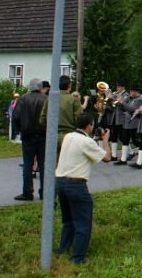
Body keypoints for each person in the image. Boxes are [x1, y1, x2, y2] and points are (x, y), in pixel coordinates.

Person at [55, 113, 112, 263]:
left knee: (68, 220)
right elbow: (107, 158)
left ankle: (63, 250)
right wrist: (105, 140)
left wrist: (94, 140)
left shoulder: (68, 137)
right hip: (76, 184)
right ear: (89, 126)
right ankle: (78, 258)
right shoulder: (87, 142)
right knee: (83, 222)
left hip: (60, 182)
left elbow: (83, 146)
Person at [12, 78, 47, 201]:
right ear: (40, 87)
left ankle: (27, 192)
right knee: (43, 165)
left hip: (27, 135)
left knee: (27, 164)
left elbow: (15, 116)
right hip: (43, 135)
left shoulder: (23, 99)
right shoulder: (45, 99)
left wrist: (20, 130)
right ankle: (45, 192)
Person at [41, 75, 83, 148]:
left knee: (53, 158)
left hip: (52, 134)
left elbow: (42, 118)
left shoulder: (50, 99)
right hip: (69, 135)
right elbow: (79, 119)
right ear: (69, 85)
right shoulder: (74, 100)